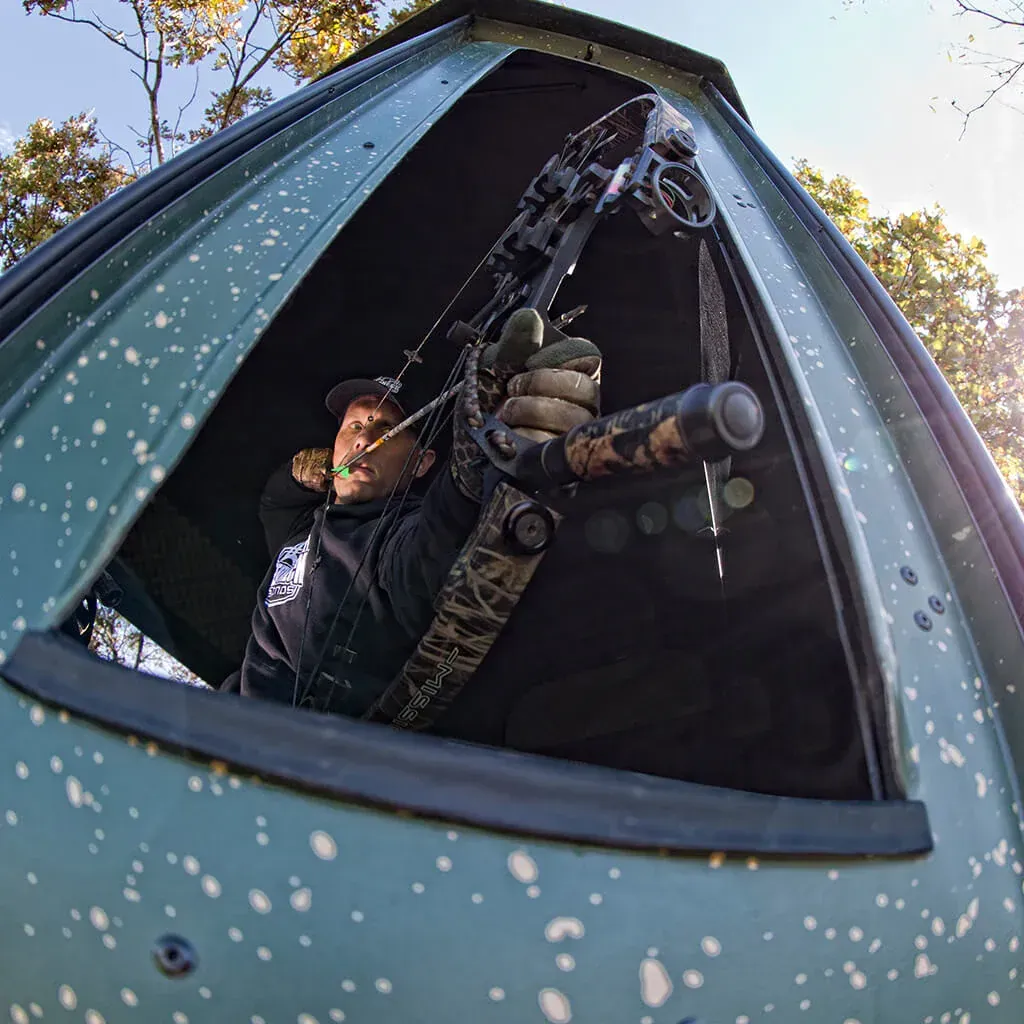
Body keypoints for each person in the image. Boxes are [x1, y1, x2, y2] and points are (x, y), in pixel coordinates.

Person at [233, 310, 602, 718]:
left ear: (421, 464)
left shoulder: (398, 538)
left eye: (387, 429)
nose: (365, 441)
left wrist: (481, 444)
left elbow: (445, 526)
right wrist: (299, 473)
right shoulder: (301, 524)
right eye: (353, 426)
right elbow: (274, 500)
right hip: (223, 725)